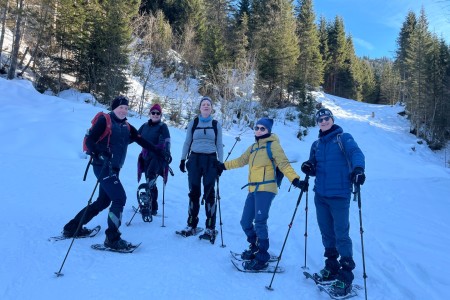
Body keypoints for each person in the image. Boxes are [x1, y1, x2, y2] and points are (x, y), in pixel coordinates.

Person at [62, 96, 166, 250]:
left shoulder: (127, 126)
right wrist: (101, 151)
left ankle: (72, 228)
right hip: (102, 166)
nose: (123, 110)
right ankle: (112, 238)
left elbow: (140, 140)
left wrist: (158, 151)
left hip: (114, 168)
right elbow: (90, 141)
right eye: (120, 107)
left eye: (126, 108)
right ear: (114, 108)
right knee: (119, 197)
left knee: (103, 201)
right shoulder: (105, 120)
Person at [216, 117, 308, 270]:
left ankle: (262, 257)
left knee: (259, 222)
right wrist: (222, 166)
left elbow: (284, 164)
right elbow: (240, 161)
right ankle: (255, 246)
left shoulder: (273, 146)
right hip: (252, 189)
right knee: (245, 221)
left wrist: (296, 180)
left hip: (267, 188)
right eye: (257, 127)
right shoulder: (253, 147)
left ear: (268, 130)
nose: (259, 130)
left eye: (262, 128)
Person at [300, 108, 365, 296]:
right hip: (320, 194)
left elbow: (356, 153)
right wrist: (308, 166)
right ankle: (331, 266)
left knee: (341, 234)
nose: (323, 121)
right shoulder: (316, 144)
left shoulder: (344, 138)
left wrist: (359, 169)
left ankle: (346, 275)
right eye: (320, 119)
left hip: (340, 194)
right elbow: (314, 166)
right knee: (326, 232)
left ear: (332, 119)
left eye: (326, 118)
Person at [179, 96, 223, 239]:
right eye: (203, 104)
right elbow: (187, 142)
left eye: (208, 105)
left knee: (209, 193)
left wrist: (220, 163)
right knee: (194, 192)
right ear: (200, 107)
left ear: (211, 108)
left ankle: (210, 227)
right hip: (194, 159)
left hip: (210, 160)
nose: (206, 106)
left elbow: (219, 145)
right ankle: (191, 224)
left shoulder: (216, 124)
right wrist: (182, 159)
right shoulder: (194, 122)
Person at [137, 103, 171, 220]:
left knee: (151, 177)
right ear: (150, 114)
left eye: (158, 113)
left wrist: (167, 152)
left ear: (160, 115)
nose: (155, 115)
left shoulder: (163, 126)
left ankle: (149, 205)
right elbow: (135, 136)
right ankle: (152, 205)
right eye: (153, 113)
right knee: (149, 179)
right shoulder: (144, 126)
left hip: (158, 156)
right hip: (146, 156)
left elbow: (167, 140)